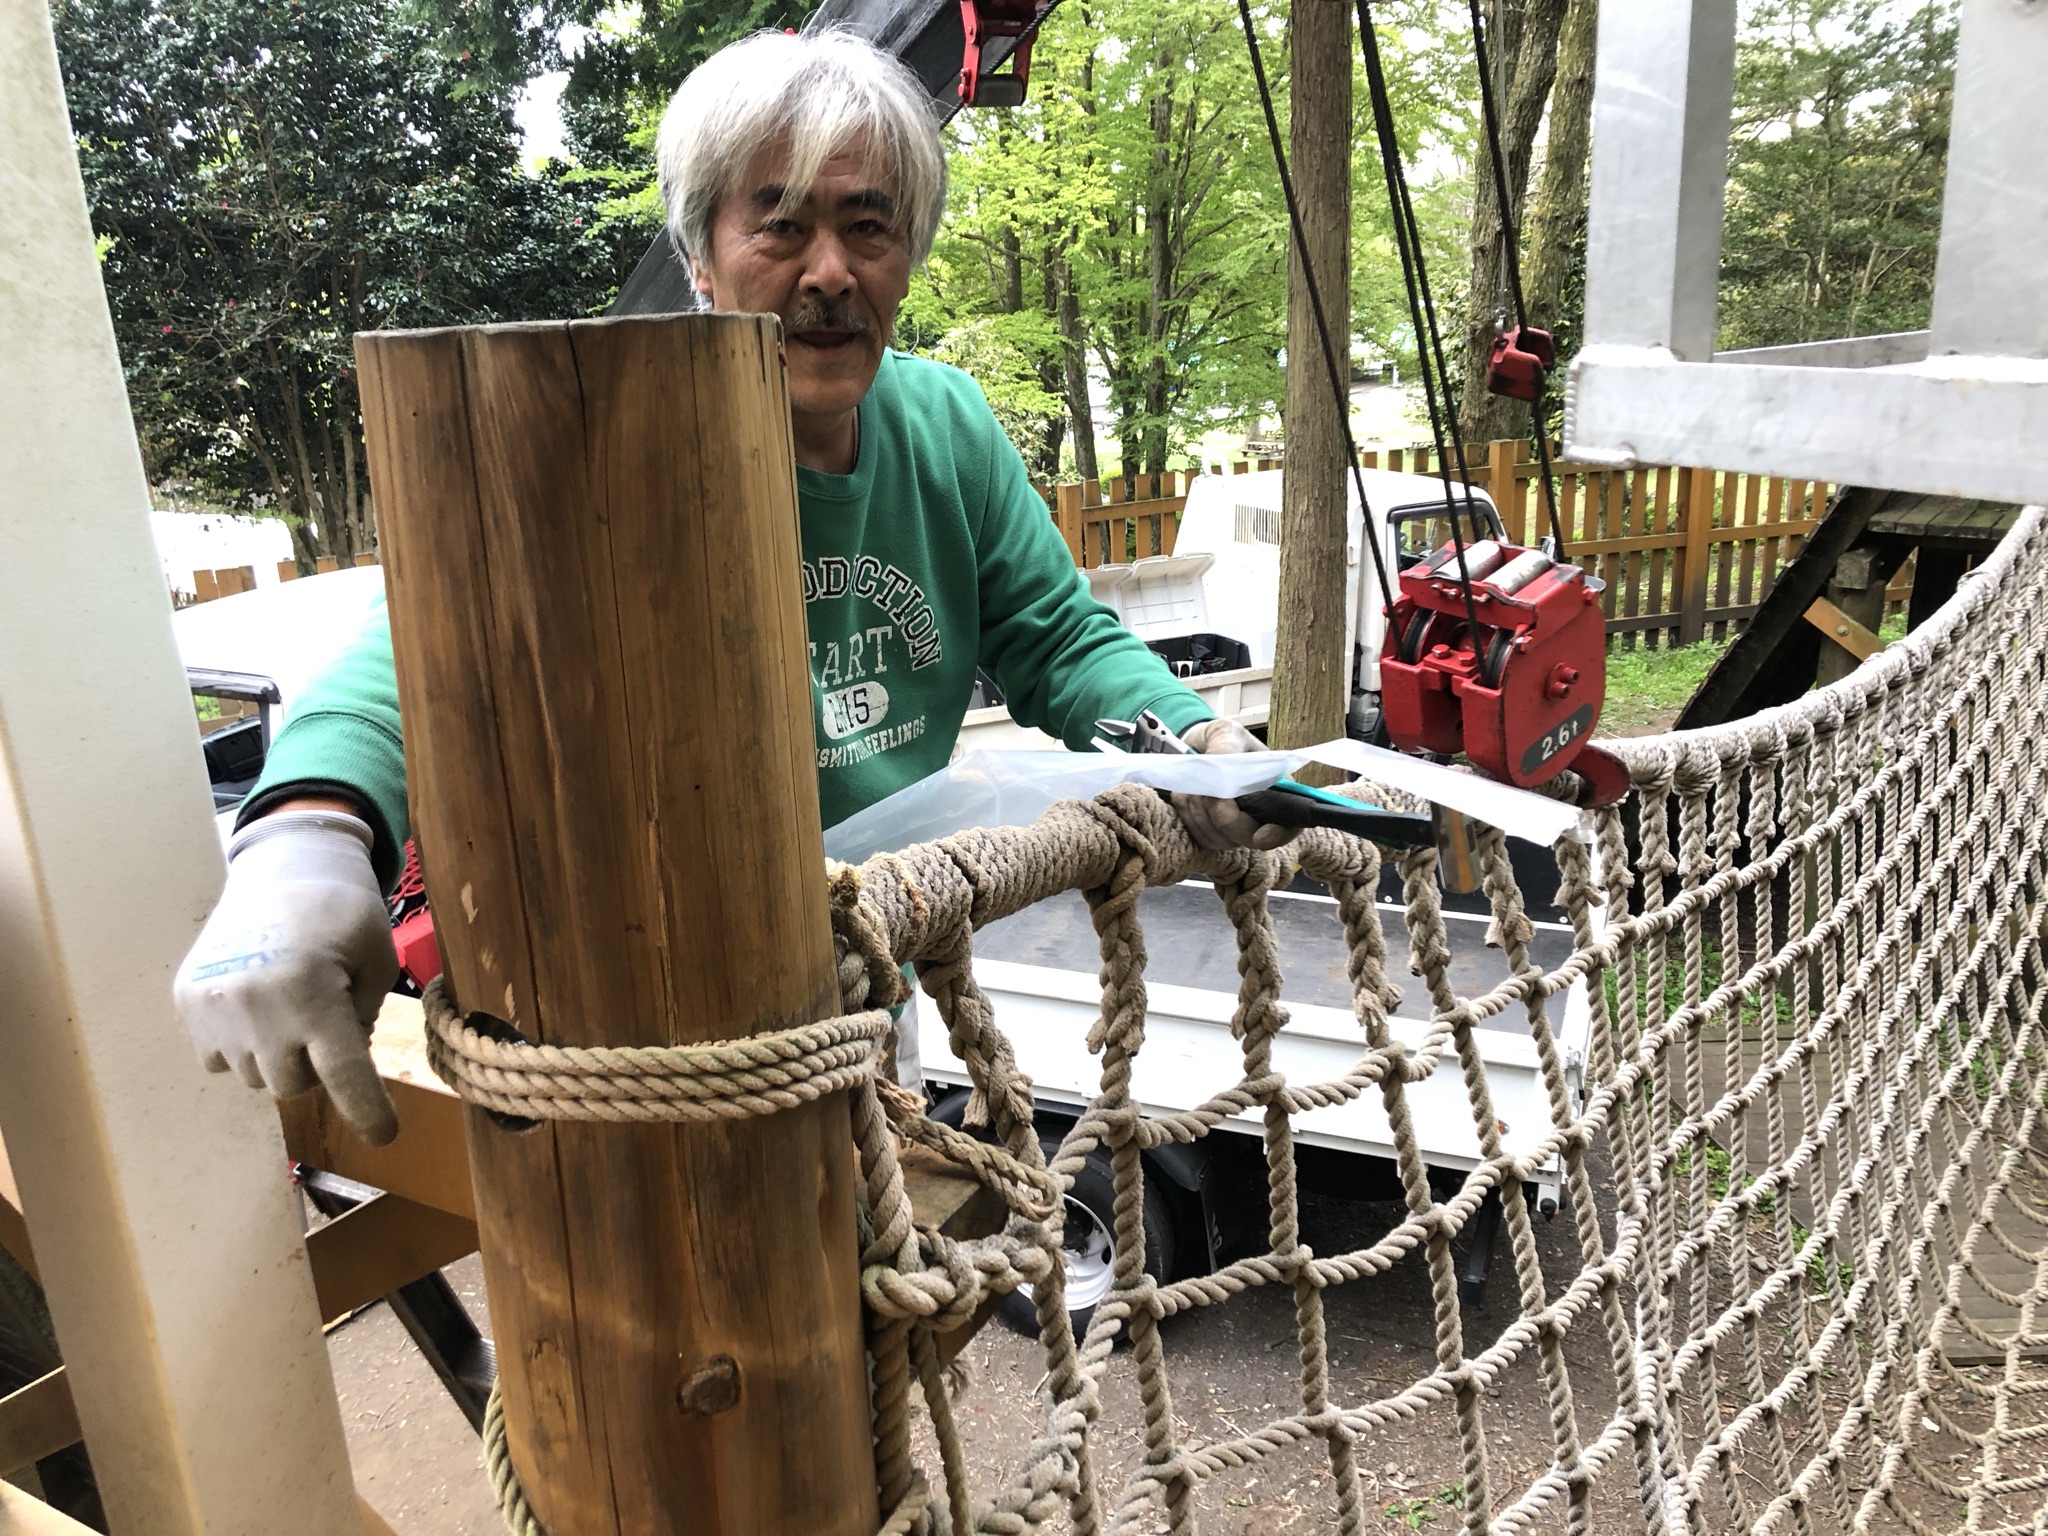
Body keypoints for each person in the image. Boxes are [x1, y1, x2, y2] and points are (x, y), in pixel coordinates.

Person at [172, 28, 1294, 1146]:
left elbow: (1054, 636)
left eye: (868, 226)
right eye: (780, 225)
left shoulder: (945, 426)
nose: (829, 272)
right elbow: (418, 663)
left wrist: (1188, 740)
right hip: (638, 1029)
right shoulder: (605, 441)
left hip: (865, 971)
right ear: (700, 255)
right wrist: (304, 840)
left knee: (879, 1241)